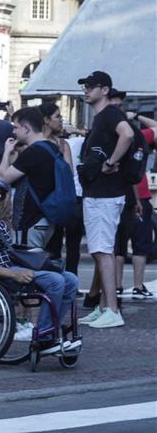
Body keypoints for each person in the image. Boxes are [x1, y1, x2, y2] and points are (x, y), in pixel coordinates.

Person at [0, 177, 80, 355]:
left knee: (70, 279)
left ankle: (51, 329)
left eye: (1, 195)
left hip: (8, 268)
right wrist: (13, 274)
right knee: (56, 281)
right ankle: (43, 338)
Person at [76, 71, 135, 329]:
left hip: (105, 195)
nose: (86, 90)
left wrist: (111, 162)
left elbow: (128, 134)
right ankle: (103, 308)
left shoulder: (110, 114)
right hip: (102, 194)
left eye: (91, 86)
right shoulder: (102, 117)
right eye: (85, 86)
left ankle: (111, 309)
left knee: (103, 251)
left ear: (105, 90)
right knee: (102, 250)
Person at [0, 107, 73, 250]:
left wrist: (6, 152)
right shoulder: (51, 148)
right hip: (45, 218)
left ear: (26, 128)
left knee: (28, 266)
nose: (13, 131)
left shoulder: (33, 151)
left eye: (16, 127)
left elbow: (4, 178)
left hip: (30, 220)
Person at [41, 102, 85, 276]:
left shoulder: (62, 144)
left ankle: (69, 280)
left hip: (63, 199)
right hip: (47, 202)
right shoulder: (35, 143)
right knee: (51, 246)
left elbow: (69, 172)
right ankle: (54, 280)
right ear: (45, 120)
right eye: (57, 116)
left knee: (70, 244)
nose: (61, 120)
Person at [116, 110, 156, 299]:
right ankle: (129, 286)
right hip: (127, 194)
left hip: (127, 194)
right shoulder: (137, 137)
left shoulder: (136, 137)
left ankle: (127, 286)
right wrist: (137, 116)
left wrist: (136, 116)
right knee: (124, 244)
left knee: (132, 243)